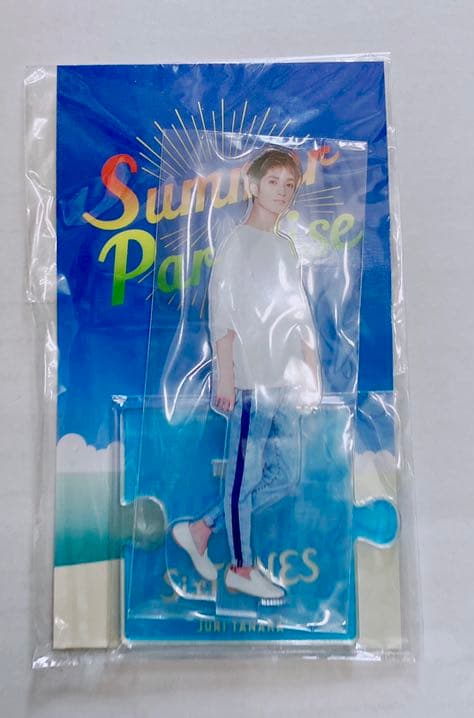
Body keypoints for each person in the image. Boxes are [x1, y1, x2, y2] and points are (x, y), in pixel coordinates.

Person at [172, 147, 321, 601]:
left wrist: (310, 369)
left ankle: (202, 527)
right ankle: (240, 567)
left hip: (284, 381)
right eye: (273, 181)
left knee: (285, 476)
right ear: (254, 186)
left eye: (289, 184)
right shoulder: (237, 243)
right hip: (252, 383)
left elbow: (298, 313)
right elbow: (223, 314)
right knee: (244, 476)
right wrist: (226, 375)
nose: (282, 191)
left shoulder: (285, 247)